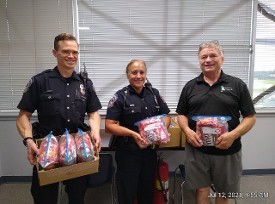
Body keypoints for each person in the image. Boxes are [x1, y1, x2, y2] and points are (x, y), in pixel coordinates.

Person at [16, 33, 102, 204]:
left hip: (79, 148)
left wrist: (96, 131)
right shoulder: (40, 81)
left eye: (75, 52)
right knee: (44, 198)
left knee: (77, 197)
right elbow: (23, 117)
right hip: (48, 148)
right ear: (55, 53)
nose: (71, 56)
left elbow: (93, 113)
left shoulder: (85, 83)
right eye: (66, 51)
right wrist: (28, 139)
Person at [176, 40, 256, 204]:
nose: (208, 60)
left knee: (224, 193)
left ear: (222, 58)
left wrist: (232, 135)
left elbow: (250, 117)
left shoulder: (237, 84)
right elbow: (181, 114)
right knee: (200, 190)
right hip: (197, 150)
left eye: (213, 55)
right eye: (203, 56)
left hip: (228, 150)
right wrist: (187, 131)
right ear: (199, 61)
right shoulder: (190, 86)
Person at [105, 59, 171, 204]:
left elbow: (166, 116)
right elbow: (109, 125)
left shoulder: (154, 94)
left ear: (146, 74)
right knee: (127, 194)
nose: (138, 76)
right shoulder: (121, 96)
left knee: (147, 193)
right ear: (128, 75)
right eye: (134, 72)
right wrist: (133, 134)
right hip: (128, 153)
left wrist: (161, 129)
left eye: (142, 72)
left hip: (149, 153)